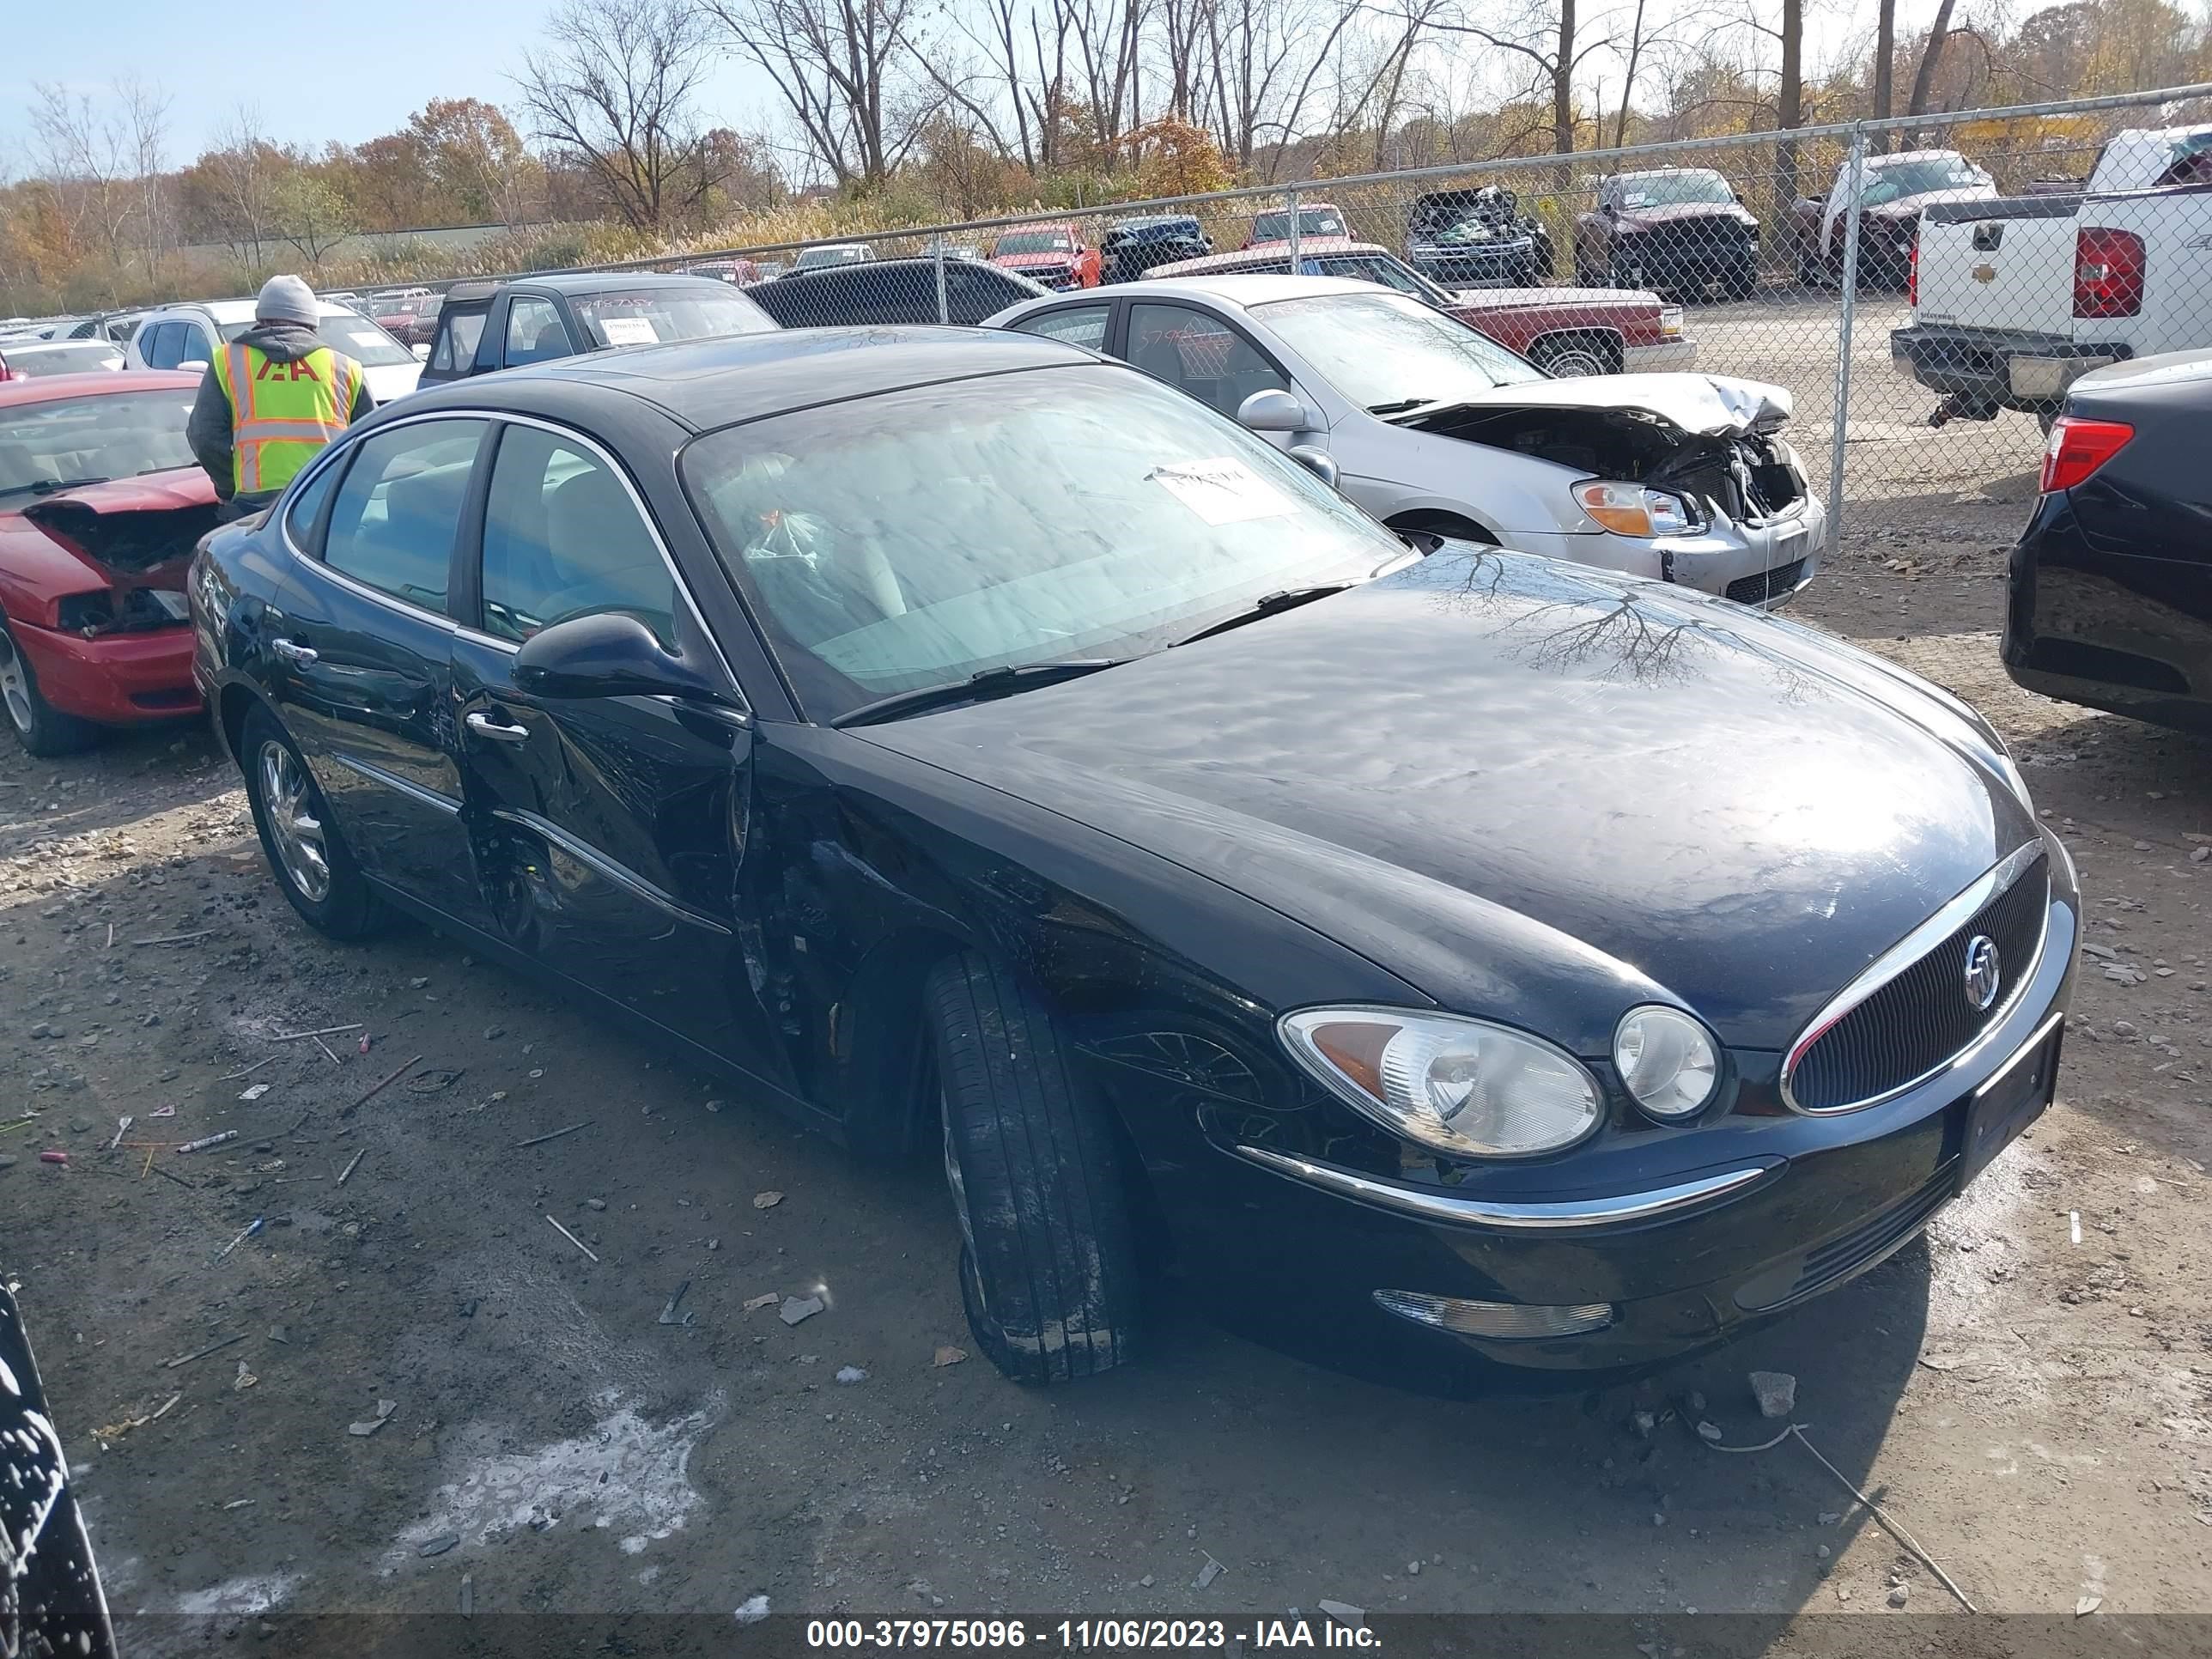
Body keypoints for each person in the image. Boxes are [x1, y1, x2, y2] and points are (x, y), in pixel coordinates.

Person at [187, 275, 374, 519]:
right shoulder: (345, 368)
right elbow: (372, 445)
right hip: (325, 504)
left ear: (261, 318)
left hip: (254, 509)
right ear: (312, 323)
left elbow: (205, 436)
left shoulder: (228, 362)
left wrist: (227, 486)